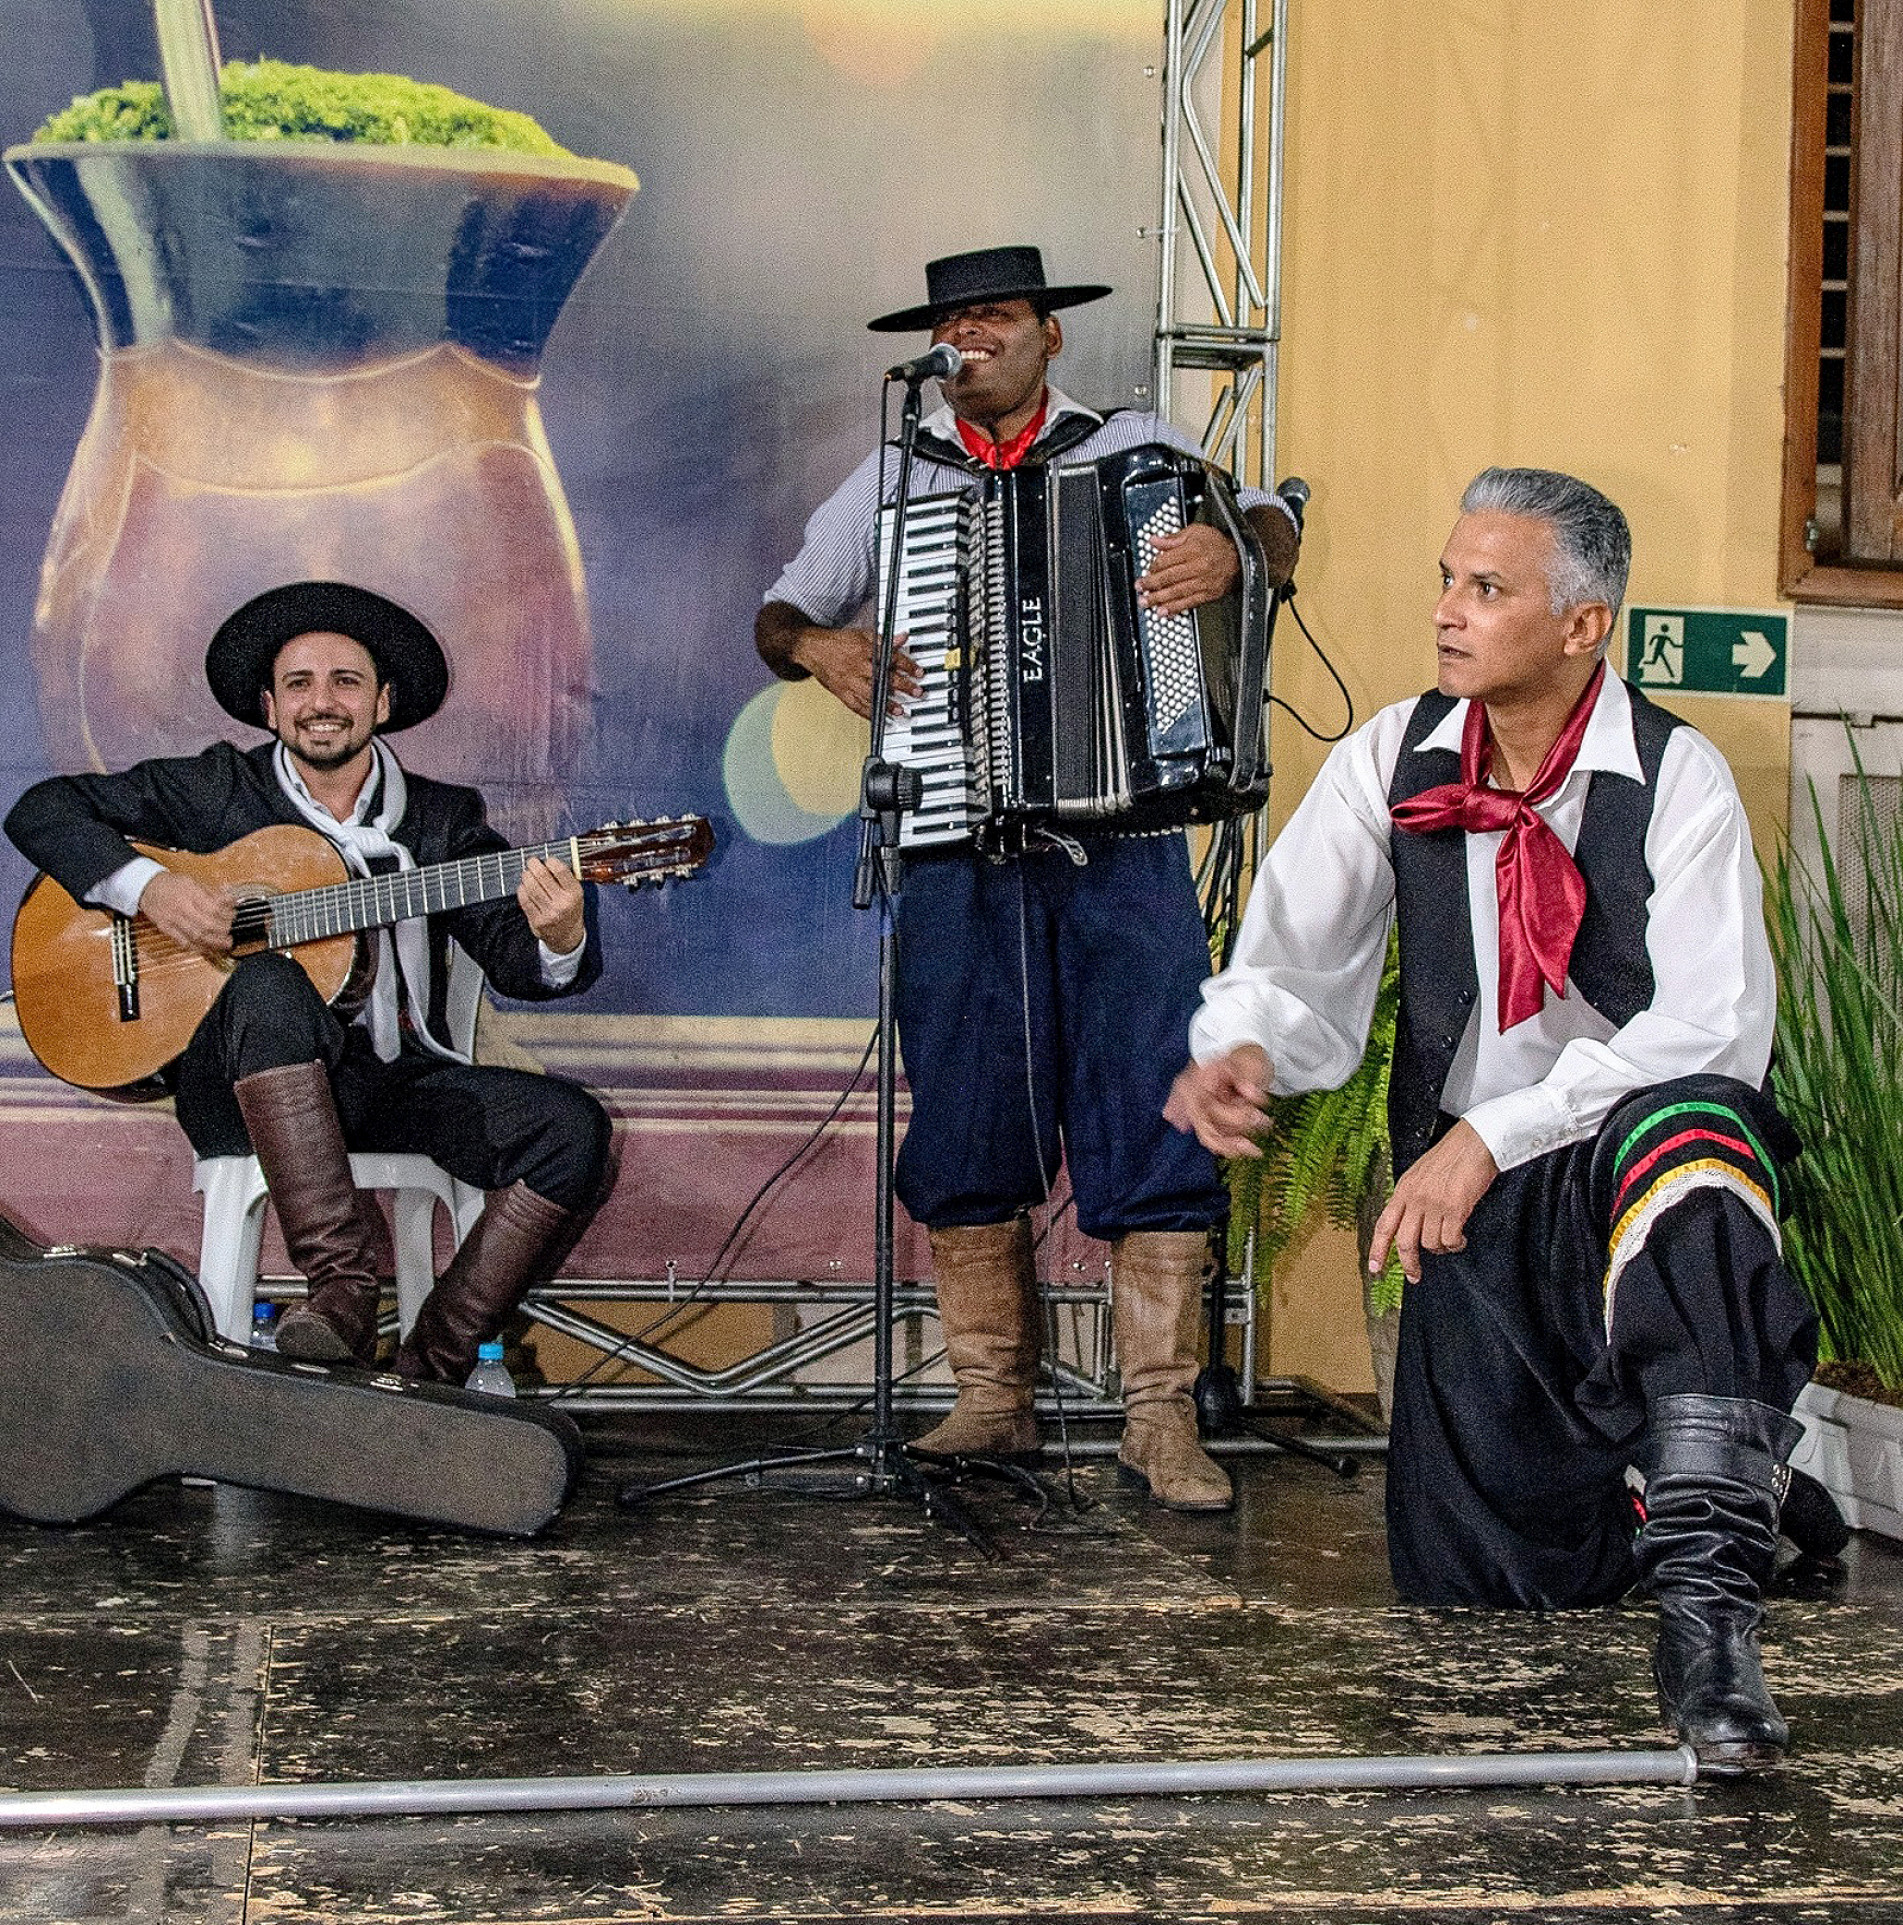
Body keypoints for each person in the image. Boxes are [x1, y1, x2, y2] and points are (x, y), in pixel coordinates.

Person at [1166, 467, 1820, 1773]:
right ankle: (1717, 1489)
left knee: (1696, 1142)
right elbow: (1296, 947)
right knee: (1476, 1582)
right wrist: (1243, 1044)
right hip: (1474, 1197)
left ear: (1581, 625)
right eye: (1445, 580)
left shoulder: (1676, 777)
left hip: (1621, 1175)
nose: (1445, 611)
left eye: (1484, 587)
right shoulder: (1393, 753)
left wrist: (1495, 1132)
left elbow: (1710, 1029)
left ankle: (1710, 1629)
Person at [757, 245, 1301, 1510]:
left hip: (1124, 842)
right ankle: (993, 1396)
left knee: (1153, 1101)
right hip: (954, 843)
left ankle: (1157, 1416)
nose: (971, 336)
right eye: (954, 320)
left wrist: (1235, 550)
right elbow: (779, 614)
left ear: (1049, 336)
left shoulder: (1134, 446)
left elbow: (1273, 517)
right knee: (964, 1110)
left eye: (996, 315)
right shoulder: (896, 471)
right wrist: (822, 648)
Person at [6, 581, 612, 1385]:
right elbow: (42, 810)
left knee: (571, 1129)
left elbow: (514, 958)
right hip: (241, 1090)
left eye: (345, 681)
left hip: (392, 1083)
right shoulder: (220, 788)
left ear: (383, 702)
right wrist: (152, 890)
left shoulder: (440, 820)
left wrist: (560, 935)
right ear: (269, 707)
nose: (321, 702)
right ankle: (341, 1291)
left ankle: (430, 1370)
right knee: (270, 983)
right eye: (299, 684)